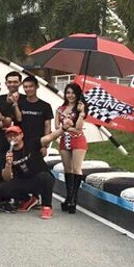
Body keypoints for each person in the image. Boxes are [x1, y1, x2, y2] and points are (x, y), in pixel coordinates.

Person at [0, 125, 67, 218]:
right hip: (24, 181)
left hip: (40, 179)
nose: (12, 138)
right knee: (2, 188)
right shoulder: (6, 153)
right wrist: (8, 164)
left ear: (21, 135)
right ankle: (28, 199)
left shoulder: (31, 143)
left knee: (44, 176)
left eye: (15, 135)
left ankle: (46, 206)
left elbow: (49, 138)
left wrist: (63, 128)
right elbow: (7, 178)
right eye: (9, 136)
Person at [56, 83, 87, 214]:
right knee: (67, 168)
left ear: (77, 94)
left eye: (73, 93)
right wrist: (68, 128)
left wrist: (82, 113)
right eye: (68, 92)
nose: (70, 95)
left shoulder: (80, 109)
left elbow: (79, 128)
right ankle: (68, 197)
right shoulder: (60, 109)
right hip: (64, 140)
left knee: (76, 168)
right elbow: (57, 126)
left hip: (78, 140)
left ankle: (74, 199)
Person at [15, 76, 53, 155]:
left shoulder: (45, 106)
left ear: (37, 86)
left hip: (38, 143)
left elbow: (47, 126)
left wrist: (45, 146)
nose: (28, 89)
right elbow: (18, 120)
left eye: (31, 86)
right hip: (22, 143)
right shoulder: (19, 104)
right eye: (25, 87)